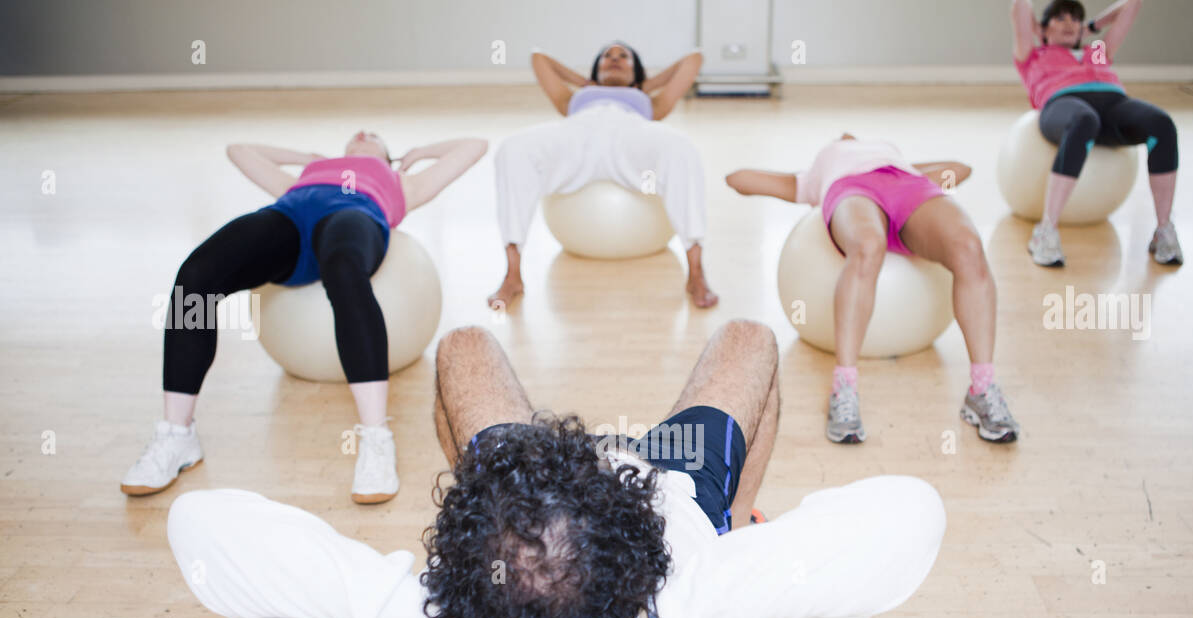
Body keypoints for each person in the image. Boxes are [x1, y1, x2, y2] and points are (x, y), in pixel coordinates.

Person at [166, 319, 946, 618]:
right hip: (668, 493)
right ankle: (735, 517)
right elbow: (912, 514)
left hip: (520, 507)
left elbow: (199, 529)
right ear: (646, 578)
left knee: (463, 346)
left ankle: (497, 503)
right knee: (750, 340)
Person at [121, 131, 487, 503]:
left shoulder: (401, 182)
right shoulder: (306, 176)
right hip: (288, 219)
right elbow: (238, 150)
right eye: (355, 136)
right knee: (195, 276)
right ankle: (177, 436)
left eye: (373, 136)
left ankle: (376, 439)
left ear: (387, 157)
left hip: (354, 215)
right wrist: (305, 157)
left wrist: (418, 154)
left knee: (344, 270)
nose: (362, 134)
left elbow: (475, 145)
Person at [727, 134, 1022, 445]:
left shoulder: (892, 155)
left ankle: (982, 388)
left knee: (970, 248)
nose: (846, 134)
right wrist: (804, 182)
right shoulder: (816, 173)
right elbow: (738, 180)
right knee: (868, 245)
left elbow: (960, 168)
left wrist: (905, 165)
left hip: (909, 185)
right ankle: (844, 389)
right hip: (849, 190)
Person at [488, 41, 719, 311]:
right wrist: (588, 83)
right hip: (578, 134)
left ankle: (696, 274)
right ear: (595, 68)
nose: (615, 59)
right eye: (607, 56)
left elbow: (694, 58)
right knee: (513, 149)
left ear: (637, 72)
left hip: (631, 135)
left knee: (683, 148)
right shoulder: (573, 98)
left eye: (624, 57)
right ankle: (512, 275)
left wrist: (644, 83)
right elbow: (538, 57)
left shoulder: (650, 100)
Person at [1011, 0, 1182, 266]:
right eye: (1060, 18)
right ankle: (1045, 232)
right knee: (1083, 120)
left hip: (1113, 105)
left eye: (1074, 19)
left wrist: (1091, 28)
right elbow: (1020, 8)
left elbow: (1132, 5)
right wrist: (1036, 29)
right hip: (1063, 104)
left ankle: (1163, 230)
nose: (1069, 23)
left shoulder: (1097, 52)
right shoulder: (1033, 55)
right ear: (1042, 29)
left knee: (1162, 124)